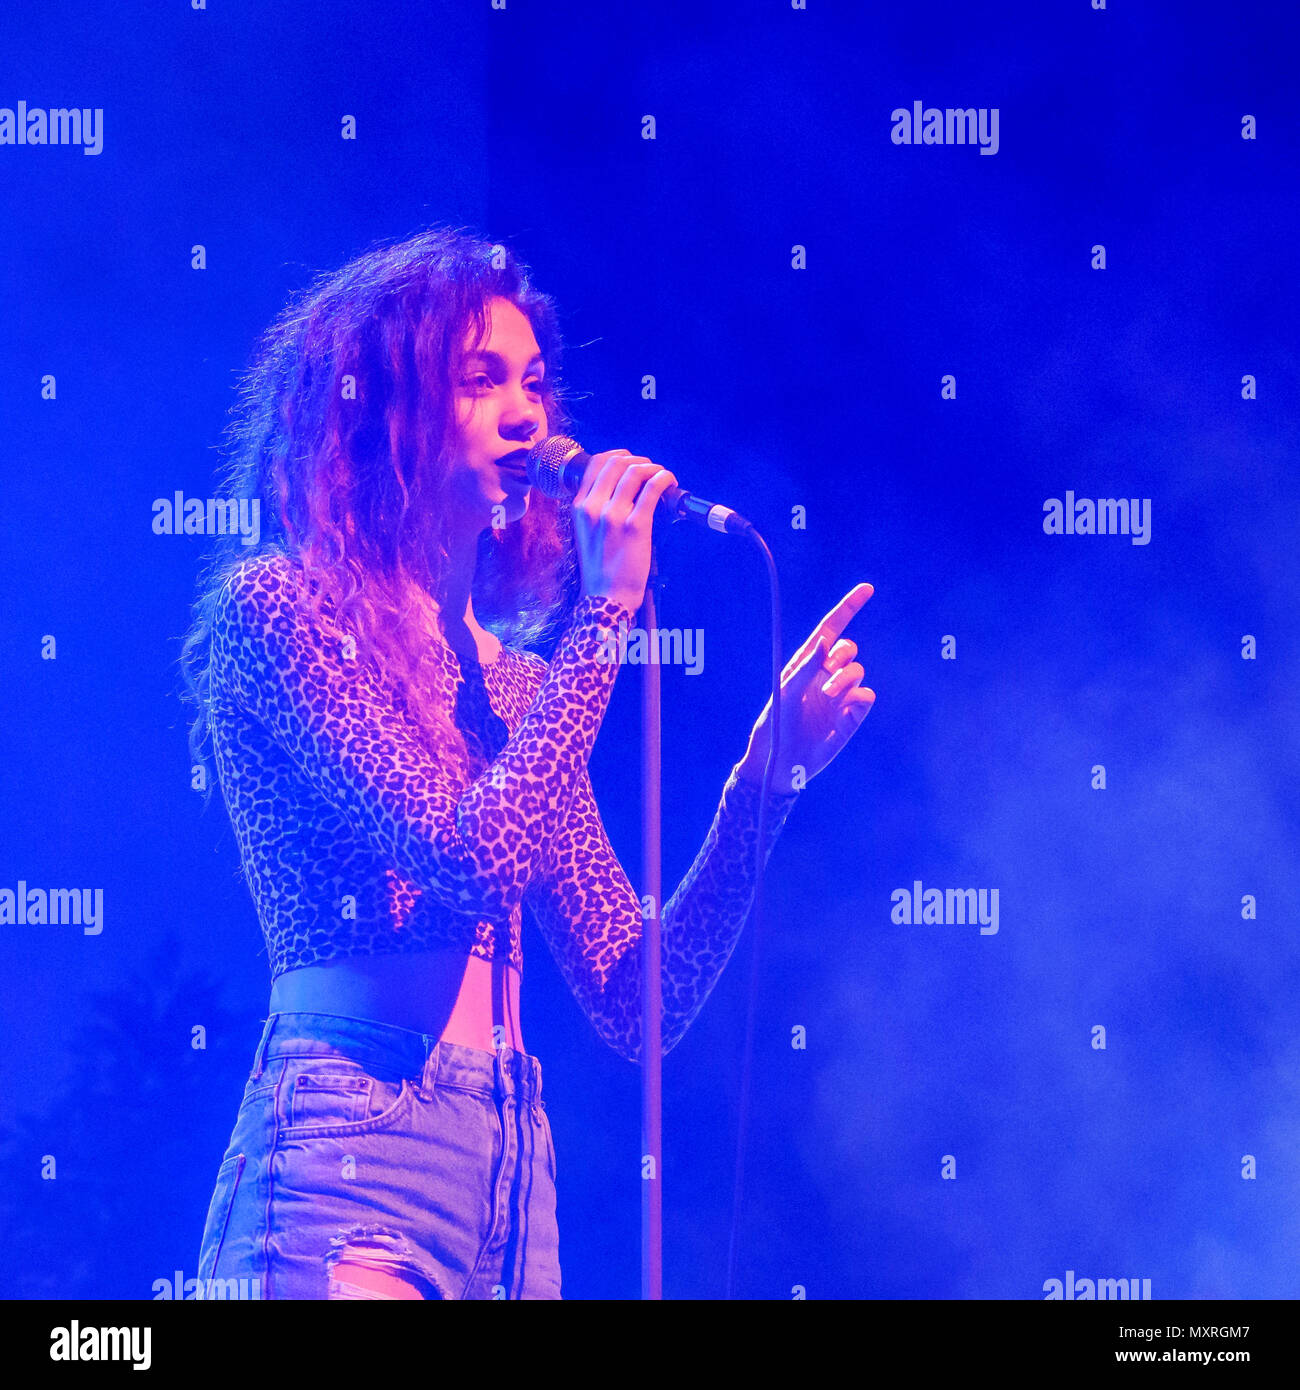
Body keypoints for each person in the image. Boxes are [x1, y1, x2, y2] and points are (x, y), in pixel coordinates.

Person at [183, 225, 875, 1300]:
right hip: (355, 1128)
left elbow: (637, 999)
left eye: (536, 384)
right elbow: (473, 862)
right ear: (384, 414)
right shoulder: (281, 611)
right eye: (479, 380)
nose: (527, 415)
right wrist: (604, 612)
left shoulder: (513, 684)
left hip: (511, 1162)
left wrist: (762, 782)